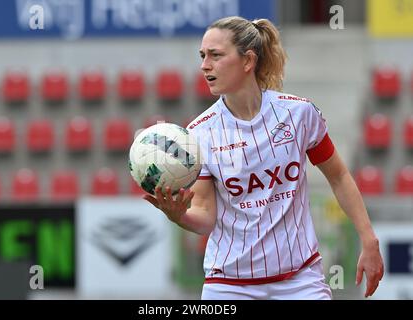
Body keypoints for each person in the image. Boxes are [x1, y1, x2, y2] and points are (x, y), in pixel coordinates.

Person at [143, 16, 384, 300]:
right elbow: (206, 217)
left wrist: (369, 239)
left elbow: (339, 176)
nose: (204, 65)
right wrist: (179, 215)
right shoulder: (198, 135)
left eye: (216, 55)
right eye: (202, 56)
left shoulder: (298, 114)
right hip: (230, 286)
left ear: (248, 61)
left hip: (300, 280)